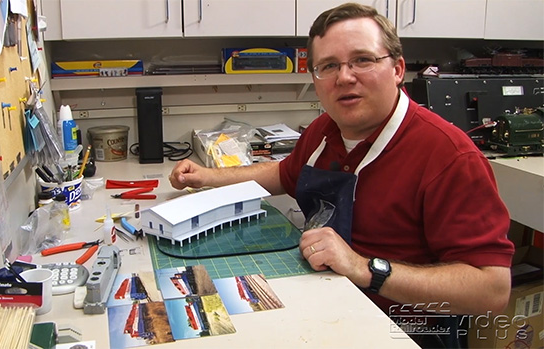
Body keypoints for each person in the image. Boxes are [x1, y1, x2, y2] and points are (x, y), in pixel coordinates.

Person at [170, 3, 514, 346]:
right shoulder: (325, 130)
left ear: (397, 69)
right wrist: (206, 177)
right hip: (325, 304)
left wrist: (364, 268)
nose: (344, 76)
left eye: (362, 60)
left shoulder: (449, 157)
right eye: (328, 66)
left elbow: (491, 288)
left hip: (405, 331)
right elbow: (284, 174)